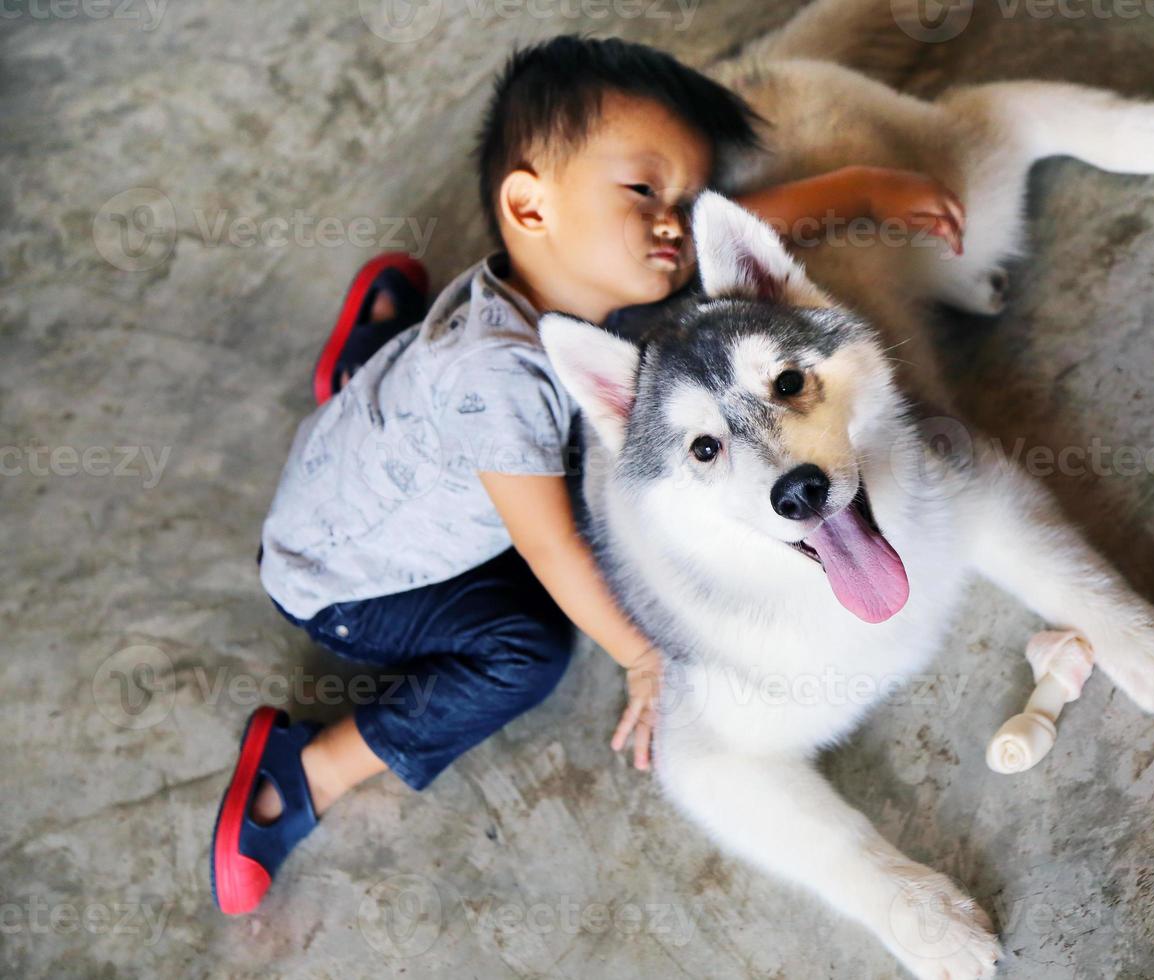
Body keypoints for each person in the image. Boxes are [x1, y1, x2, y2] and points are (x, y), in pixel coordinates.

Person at [211, 34, 965, 915]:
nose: (673, 225)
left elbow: (735, 235)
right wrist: (646, 661)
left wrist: (866, 191)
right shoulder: (496, 380)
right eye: (646, 191)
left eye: (681, 199)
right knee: (525, 646)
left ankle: (374, 358)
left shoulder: (564, 268)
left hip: (381, 449)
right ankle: (309, 770)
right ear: (530, 208)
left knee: (550, 437)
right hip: (348, 585)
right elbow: (550, 547)